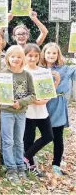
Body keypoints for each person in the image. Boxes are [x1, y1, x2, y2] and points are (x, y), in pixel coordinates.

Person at [0, 45, 35, 184]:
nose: (15, 59)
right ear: (7, 59)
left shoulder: (26, 75)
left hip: (21, 113)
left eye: (18, 57)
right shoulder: (2, 74)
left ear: (23, 59)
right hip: (6, 112)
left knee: (19, 141)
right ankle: (11, 168)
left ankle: (20, 167)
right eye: (12, 56)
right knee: (8, 141)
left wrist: (21, 102)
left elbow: (33, 94)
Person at [23, 44, 60, 177]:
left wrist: (56, 82)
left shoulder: (43, 71)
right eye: (30, 56)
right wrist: (36, 101)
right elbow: (22, 93)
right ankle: (30, 166)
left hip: (42, 110)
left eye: (35, 56)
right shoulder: (23, 72)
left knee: (49, 136)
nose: (32, 58)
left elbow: (48, 91)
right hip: (28, 111)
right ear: (25, 56)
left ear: (39, 56)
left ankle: (25, 157)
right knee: (29, 139)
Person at [39, 42, 76, 176]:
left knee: (57, 136)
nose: (51, 55)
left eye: (54, 53)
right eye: (48, 53)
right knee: (42, 135)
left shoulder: (65, 69)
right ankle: (28, 158)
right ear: (44, 54)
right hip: (41, 104)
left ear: (58, 55)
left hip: (58, 104)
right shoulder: (39, 69)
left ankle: (56, 163)